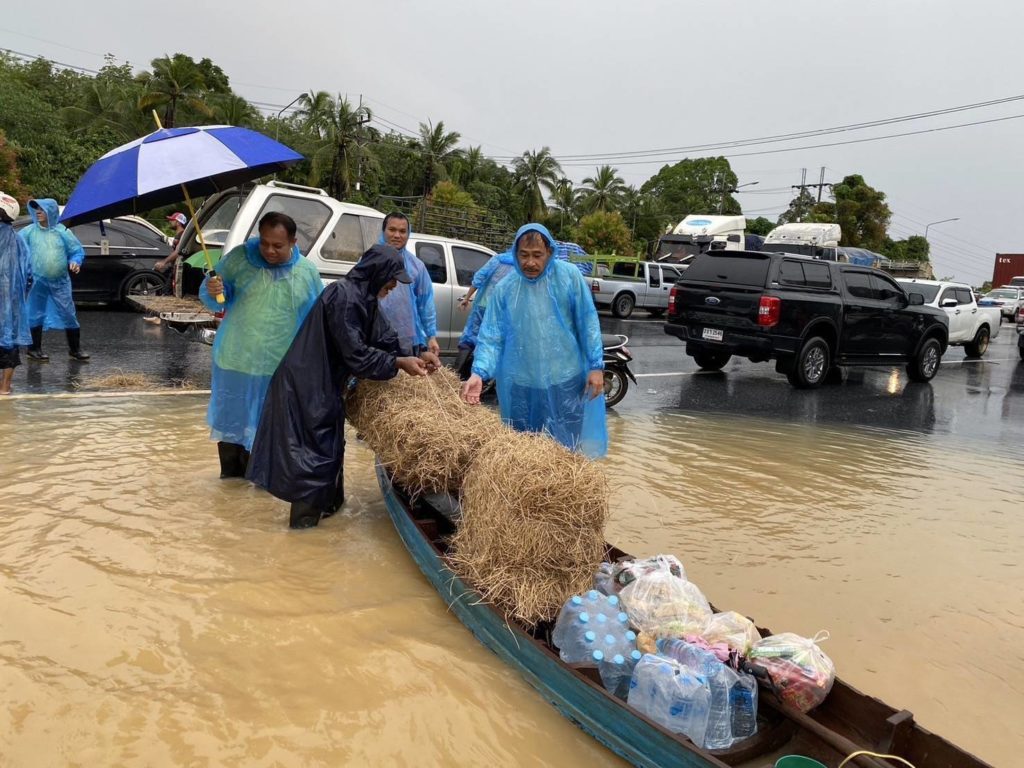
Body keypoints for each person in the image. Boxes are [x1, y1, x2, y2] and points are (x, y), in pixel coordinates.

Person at [247, 243, 439, 530]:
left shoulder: (365, 298)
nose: (393, 287)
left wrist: (418, 350)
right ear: (377, 273)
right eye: (392, 280)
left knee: (330, 451)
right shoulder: (344, 296)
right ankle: (302, 535)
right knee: (311, 461)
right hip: (306, 386)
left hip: (325, 385)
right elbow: (357, 354)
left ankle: (328, 517)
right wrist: (399, 363)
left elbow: (384, 338)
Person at [461, 223, 607, 458]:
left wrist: (596, 366)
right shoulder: (506, 289)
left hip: (564, 381)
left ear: (550, 253)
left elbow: (587, 322)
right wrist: (479, 372)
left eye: (537, 255)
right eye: (524, 255)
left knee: (564, 451)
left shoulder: (569, 277)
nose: (530, 263)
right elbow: (491, 336)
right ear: (515, 254)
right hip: (522, 383)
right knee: (523, 451)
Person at [199, 211, 323, 479]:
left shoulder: (306, 273)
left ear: (293, 241)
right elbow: (219, 300)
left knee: (270, 429)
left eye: (277, 245)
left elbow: (317, 319)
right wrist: (214, 291)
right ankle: (231, 487)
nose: (269, 250)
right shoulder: (238, 260)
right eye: (264, 242)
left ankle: (258, 486)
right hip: (236, 359)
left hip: (278, 366)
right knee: (231, 423)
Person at [20, 198, 89, 362]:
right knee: (34, 314)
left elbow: (76, 251)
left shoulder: (63, 231)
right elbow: (16, 247)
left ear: (51, 211)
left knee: (68, 313)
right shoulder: (28, 231)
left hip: (60, 282)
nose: (38, 212)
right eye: (35, 209)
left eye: (41, 209)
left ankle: (75, 349)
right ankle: (34, 349)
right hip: (36, 281)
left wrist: (75, 261)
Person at [378, 212, 440, 356]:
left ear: (408, 233)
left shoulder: (416, 266)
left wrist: (431, 336)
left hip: (406, 337)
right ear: (383, 231)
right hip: (375, 334)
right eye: (392, 230)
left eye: (402, 231)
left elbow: (426, 303)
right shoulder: (369, 260)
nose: (397, 235)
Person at [0, 192, 30, 395]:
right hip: (11, 304)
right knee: (9, 342)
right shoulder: (18, 240)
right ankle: (5, 387)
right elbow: (29, 273)